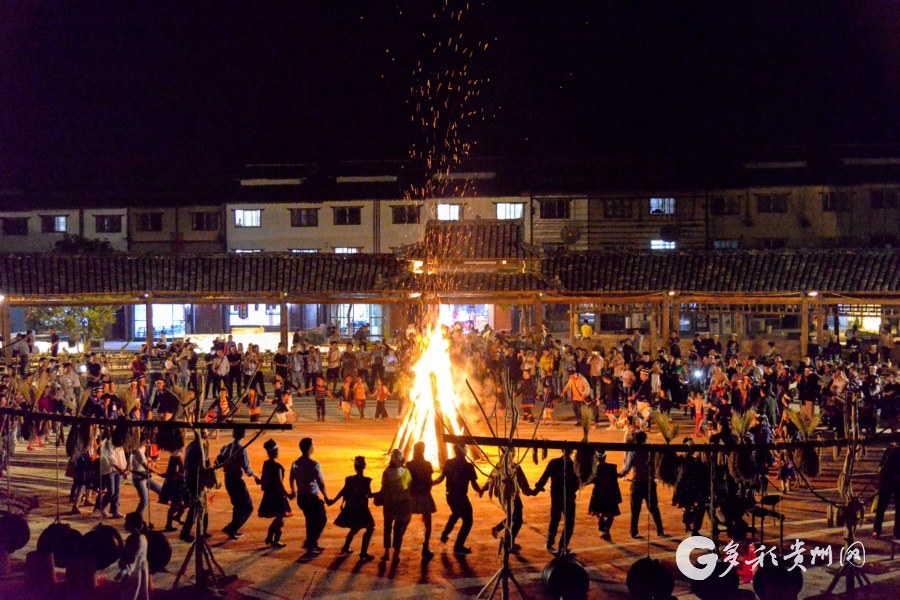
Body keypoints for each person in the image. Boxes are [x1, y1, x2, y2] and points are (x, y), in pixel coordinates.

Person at [434, 443, 484, 555]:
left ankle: (445, 534)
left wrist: (432, 483)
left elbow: (441, 477)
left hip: (450, 496)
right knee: (468, 521)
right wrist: (480, 490)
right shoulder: (468, 466)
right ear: (465, 452)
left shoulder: (449, 462)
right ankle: (458, 545)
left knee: (456, 513)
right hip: (461, 497)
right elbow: (474, 483)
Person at [328, 455, 375, 560]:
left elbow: (343, 491)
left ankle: (346, 546)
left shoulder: (349, 479)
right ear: (364, 467)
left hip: (351, 508)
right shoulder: (366, 481)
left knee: (355, 527)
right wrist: (382, 494)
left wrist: (333, 501)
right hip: (362, 509)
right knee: (370, 528)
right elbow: (369, 495)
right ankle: (363, 552)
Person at [217, 427, 260, 541]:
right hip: (236, 480)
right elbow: (246, 468)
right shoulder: (241, 449)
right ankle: (231, 528)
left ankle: (233, 529)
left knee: (237, 505)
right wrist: (256, 476)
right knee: (248, 507)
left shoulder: (226, 447)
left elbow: (219, 460)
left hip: (228, 480)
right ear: (243, 435)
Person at [619, 431, 664, 539]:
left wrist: (620, 474)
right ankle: (660, 529)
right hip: (649, 482)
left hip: (638, 482)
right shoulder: (651, 450)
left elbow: (627, 467)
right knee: (653, 507)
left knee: (635, 509)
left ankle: (633, 530)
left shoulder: (634, 451)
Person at [533, 447, 579, 553]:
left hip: (559, 496)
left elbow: (545, 476)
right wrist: (538, 488)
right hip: (566, 497)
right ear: (571, 452)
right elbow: (578, 481)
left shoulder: (556, 463)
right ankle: (560, 546)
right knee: (566, 522)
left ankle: (552, 543)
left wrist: (538, 488)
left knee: (557, 519)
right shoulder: (573, 465)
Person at [290, 437, 330, 553]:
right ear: (309, 448)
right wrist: (326, 497)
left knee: (310, 520)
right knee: (322, 518)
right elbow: (320, 482)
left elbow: (291, 478)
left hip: (302, 497)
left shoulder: (296, 463)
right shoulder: (314, 464)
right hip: (312, 497)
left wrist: (293, 491)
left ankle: (312, 543)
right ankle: (311, 542)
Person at [488, 449, 534, 551]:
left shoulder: (511, 466)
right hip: (508, 495)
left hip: (512, 494)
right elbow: (491, 479)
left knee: (515, 516)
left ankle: (501, 532)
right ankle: (508, 541)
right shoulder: (501, 467)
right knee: (516, 517)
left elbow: (523, 482)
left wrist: (530, 491)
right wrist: (484, 489)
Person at [258, 439, 294, 548]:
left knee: (279, 518)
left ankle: (270, 537)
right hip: (277, 495)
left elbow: (264, 479)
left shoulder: (266, 465)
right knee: (281, 518)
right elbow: (279, 482)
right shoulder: (277, 467)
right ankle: (276, 540)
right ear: (275, 452)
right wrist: (288, 494)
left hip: (269, 494)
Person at [380, 449, 412, 562]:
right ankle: (396, 554)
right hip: (401, 504)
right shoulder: (405, 472)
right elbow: (409, 487)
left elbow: (383, 488)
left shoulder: (386, 472)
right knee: (398, 529)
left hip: (389, 503)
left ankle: (386, 553)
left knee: (387, 528)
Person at [406, 441, 437, 558]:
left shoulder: (409, 464)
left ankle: (396, 549)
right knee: (428, 523)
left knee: (405, 521)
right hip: (424, 496)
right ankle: (425, 547)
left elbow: (407, 482)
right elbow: (429, 481)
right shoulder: (427, 465)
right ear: (423, 451)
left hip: (412, 495)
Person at [589, 451, 622, 541]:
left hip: (598, 493)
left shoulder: (595, 468)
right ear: (605, 457)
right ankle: (606, 530)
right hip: (610, 493)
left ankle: (604, 528)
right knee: (611, 514)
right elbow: (615, 482)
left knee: (599, 512)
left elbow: (590, 480)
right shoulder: (612, 467)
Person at [116, 512, 150, 600]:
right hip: (138, 571)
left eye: (127, 522)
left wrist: (123, 573)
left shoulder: (136, 540)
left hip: (133, 575)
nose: (124, 524)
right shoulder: (141, 537)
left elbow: (132, 560)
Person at [95, 430, 128, 519]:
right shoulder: (108, 443)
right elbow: (111, 459)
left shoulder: (119, 444)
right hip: (108, 469)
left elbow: (121, 457)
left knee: (117, 491)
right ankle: (101, 507)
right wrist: (120, 469)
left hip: (117, 470)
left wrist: (123, 469)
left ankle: (115, 511)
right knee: (111, 492)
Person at [872, 442, 900, 539]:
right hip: (887, 481)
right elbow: (881, 467)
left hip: (894, 481)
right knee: (881, 507)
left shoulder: (890, 450)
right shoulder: (890, 451)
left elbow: (881, 467)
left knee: (895, 508)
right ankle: (877, 530)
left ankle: (896, 531)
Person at [159, 446, 188, 532]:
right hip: (175, 485)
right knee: (175, 505)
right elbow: (175, 471)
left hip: (177, 484)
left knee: (185, 503)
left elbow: (170, 471)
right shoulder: (175, 458)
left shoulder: (174, 457)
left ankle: (177, 517)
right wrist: (184, 477)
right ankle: (169, 524)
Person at [130, 438, 162, 517]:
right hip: (139, 478)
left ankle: (161, 499)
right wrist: (157, 473)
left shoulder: (141, 449)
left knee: (161, 490)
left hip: (144, 476)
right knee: (145, 500)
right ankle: (137, 517)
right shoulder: (138, 452)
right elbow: (145, 466)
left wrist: (150, 460)